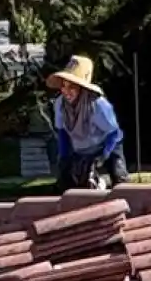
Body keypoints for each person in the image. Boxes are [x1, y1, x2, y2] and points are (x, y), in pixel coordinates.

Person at [46, 55, 128, 191]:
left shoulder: (98, 105)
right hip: (81, 148)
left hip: (107, 145)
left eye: (72, 87)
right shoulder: (60, 104)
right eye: (63, 86)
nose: (66, 91)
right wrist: (63, 157)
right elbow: (62, 132)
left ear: (81, 88)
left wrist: (104, 156)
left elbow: (114, 133)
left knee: (119, 179)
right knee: (68, 182)